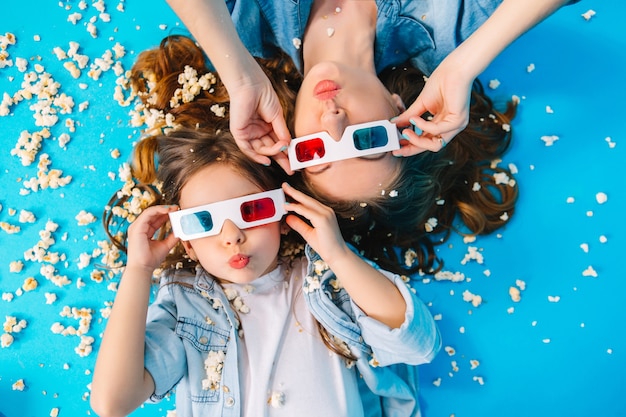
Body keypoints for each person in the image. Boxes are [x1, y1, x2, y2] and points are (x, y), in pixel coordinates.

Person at [90, 128, 441, 417]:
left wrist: (338, 254)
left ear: (283, 216)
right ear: (188, 244)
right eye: (203, 222)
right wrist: (138, 269)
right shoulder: (186, 309)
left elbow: (419, 346)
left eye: (253, 209)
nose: (232, 236)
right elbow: (112, 403)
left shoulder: (323, 280)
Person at [126, 34, 516, 276]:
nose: (333, 120)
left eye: (314, 151)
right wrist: (463, 65)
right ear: (401, 109)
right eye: (366, 141)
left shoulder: (245, 23)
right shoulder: (449, 24)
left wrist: (241, 74)